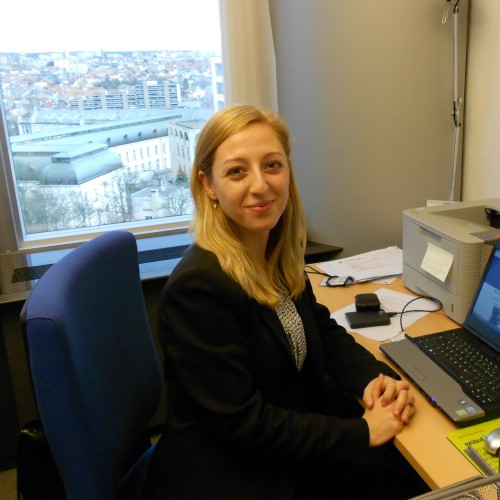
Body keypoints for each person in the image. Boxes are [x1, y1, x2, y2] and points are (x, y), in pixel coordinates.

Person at [143, 104, 429, 500]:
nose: (260, 185)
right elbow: (244, 425)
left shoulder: (271, 253)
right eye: (237, 171)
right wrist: (362, 432)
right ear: (208, 184)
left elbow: (321, 332)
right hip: (237, 475)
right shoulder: (198, 289)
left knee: (404, 468)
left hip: (283, 440)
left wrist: (376, 381)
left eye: (272, 165)